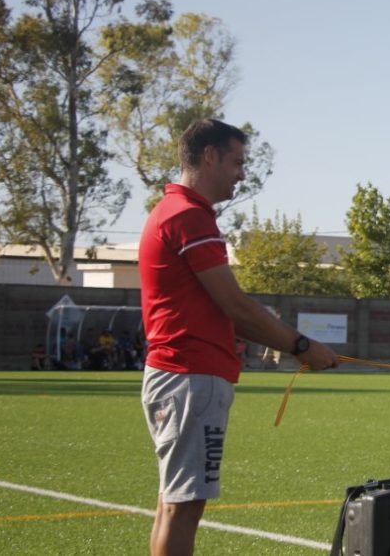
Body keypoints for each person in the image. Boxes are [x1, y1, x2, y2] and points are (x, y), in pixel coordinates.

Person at [139, 119, 338, 556]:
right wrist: (303, 347)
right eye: (237, 161)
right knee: (182, 508)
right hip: (191, 378)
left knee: (172, 506)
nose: (242, 174)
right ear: (209, 156)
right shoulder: (189, 217)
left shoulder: (176, 212)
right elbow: (237, 306)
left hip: (180, 376)